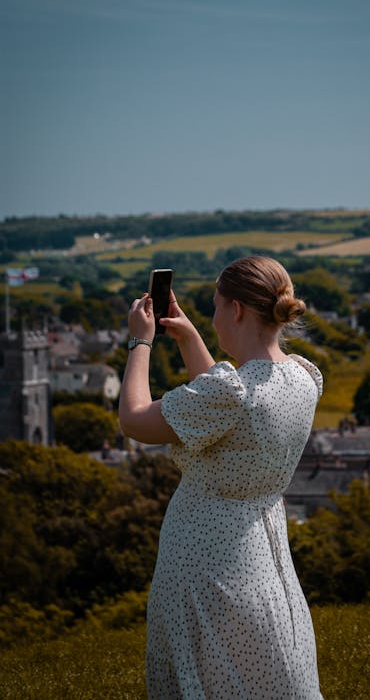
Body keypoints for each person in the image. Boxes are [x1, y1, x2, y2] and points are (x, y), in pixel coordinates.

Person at [119, 255, 324, 699]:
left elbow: (134, 420)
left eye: (214, 307)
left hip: (205, 562)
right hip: (261, 554)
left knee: (205, 679)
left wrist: (140, 343)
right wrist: (190, 336)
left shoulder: (232, 392)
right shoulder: (302, 378)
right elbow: (225, 412)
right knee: (254, 670)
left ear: (236, 310)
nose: (212, 318)